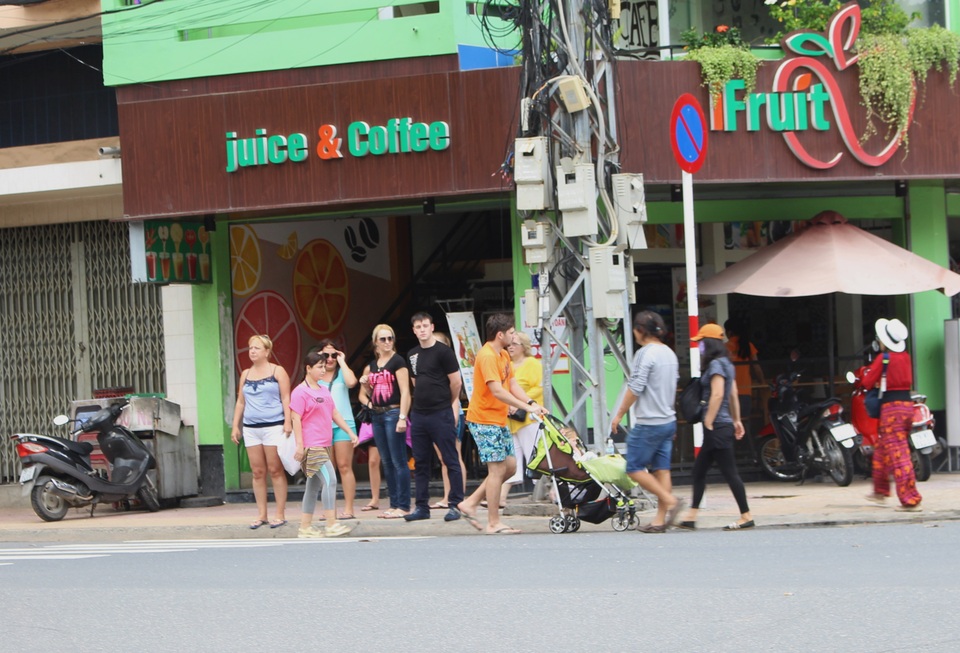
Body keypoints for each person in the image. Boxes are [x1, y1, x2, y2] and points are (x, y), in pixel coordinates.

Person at [456, 313, 547, 534]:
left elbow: (512, 384)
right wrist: (527, 408)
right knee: (497, 470)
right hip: (484, 419)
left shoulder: (503, 355)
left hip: (498, 419)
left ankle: (470, 503)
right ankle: (493, 522)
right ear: (500, 334)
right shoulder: (487, 356)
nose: (514, 336)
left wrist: (531, 403)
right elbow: (496, 390)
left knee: (510, 467)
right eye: (511, 333)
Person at [610, 311, 684, 533]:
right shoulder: (669, 353)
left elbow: (635, 387)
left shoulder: (645, 353)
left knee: (633, 468)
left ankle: (670, 501)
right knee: (662, 470)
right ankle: (660, 520)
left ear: (640, 331)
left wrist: (619, 414)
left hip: (649, 422)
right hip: (668, 420)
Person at [680, 323, 755, 531]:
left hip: (717, 427)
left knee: (729, 473)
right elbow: (733, 394)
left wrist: (709, 421)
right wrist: (737, 419)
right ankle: (691, 516)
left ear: (709, 343)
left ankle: (746, 515)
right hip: (723, 425)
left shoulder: (715, 366)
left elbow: (719, 393)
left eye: (702, 343)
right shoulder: (727, 364)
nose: (700, 347)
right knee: (699, 471)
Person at [403, 312, 465, 523]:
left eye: (425, 325)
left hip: (441, 412)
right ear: (414, 330)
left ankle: (456, 504)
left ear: (431, 327)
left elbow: (456, 382)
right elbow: (415, 381)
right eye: (418, 326)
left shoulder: (444, 352)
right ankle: (422, 506)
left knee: (450, 458)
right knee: (420, 462)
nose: (422, 329)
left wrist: (448, 404)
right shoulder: (412, 354)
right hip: (419, 414)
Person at [291, 350, 358, 538]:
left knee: (313, 487)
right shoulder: (300, 392)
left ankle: (305, 527)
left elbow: (335, 414)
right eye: (319, 366)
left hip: (324, 444)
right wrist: (299, 445)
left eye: (323, 366)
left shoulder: (323, 390)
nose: (323, 369)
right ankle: (331, 524)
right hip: (311, 446)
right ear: (308, 368)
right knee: (331, 479)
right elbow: (295, 419)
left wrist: (350, 432)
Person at [230, 334, 292, 530]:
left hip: (274, 426)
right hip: (251, 428)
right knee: (257, 472)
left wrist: (288, 422)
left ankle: (280, 513)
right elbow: (241, 401)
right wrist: (235, 426)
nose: (252, 351)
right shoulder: (246, 374)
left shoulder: (277, 371)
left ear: (267, 351)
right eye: (250, 348)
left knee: (275, 469)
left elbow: (286, 398)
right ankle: (261, 514)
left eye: (257, 348)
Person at [862, 318, 922, 511]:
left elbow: (867, 382)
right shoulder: (905, 356)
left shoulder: (884, 358)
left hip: (891, 410)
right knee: (882, 449)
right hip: (907, 406)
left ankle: (911, 500)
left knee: (899, 455)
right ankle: (880, 491)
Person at [358, 324, 412, 519]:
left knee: (399, 461)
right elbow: (372, 396)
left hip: (393, 412)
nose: (387, 342)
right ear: (376, 342)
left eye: (390, 338)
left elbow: (405, 391)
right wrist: (367, 386)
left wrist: (403, 417)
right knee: (387, 461)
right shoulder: (373, 365)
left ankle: (403, 505)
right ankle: (394, 503)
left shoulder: (398, 361)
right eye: (383, 339)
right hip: (378, 414)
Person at [309, 339, 360, 520]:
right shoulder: (316, 376)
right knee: (327, 469)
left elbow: (352, 382)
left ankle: (348, 509)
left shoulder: (341, 373)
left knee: (345, 466)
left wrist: (342, 361)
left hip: (344, 424)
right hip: (321, 426)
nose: (329, 359)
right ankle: (329, 509)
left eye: (333, 355)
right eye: (325, 355)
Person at [498, 331, 542, 508]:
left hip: (528, 418)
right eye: (509, 343)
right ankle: (500, 498)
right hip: (510, 418)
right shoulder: (506, 364)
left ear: (524, 347)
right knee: (511, 458)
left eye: (515, 344)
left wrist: (521, 403)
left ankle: (550, 491)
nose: (510, 346)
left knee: (534, 456)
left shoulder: (532, 363)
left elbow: (539, 388)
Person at [428, 331, 467, 511]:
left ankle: (459, 495)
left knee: (454, 456)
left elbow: (455, 394)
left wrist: (453, 417)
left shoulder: (448, 366)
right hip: (437, 414)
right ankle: (447, 496)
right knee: (444, 458)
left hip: (451, 413)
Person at [723, 317, 765, 439]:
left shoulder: (725, 347)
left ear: (730, 332)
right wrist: (762, 382)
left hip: (729, 392)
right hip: (746, 391)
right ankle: (746, 449)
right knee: (744, 423)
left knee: (730, 424)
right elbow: (756, 367)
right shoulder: (748, 346)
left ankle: (733, 450)